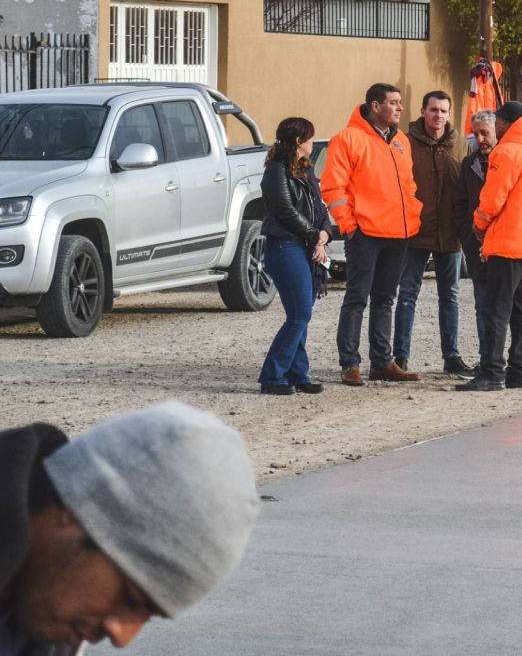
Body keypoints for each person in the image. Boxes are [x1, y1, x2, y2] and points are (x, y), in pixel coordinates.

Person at [0, 400, 259, 655]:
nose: (122, 636)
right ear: (76, 510)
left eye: (149, 615)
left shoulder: (44, 626)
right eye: (129, 598)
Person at [321, 83, 423, 387]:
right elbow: (332, 187)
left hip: (398, 233)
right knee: (357, 298)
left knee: (385, 299)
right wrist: (349, 225)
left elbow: (409, 185)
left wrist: (413, 214)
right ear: (375, 106)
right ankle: (349, 363)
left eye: (400, 103)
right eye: (393, 103)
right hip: (364, 233)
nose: (399, 108)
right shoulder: (347, 139)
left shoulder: (401, 141)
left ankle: (382, 362)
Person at [455, 101, 522, 392]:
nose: (493, 129)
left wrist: (477, 226)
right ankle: (520, 371)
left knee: (497, 309)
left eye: (495, 123)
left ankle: (492, 372)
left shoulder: (506, 152)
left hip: (507, 240)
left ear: (506, 122)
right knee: (521, 310)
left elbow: (492, 199)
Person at [392, 91, 473, 377]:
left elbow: (468, 188)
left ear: (449, 114)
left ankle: (451, 356)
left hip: (450, 235)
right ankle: (400, 357)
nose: (438, 115)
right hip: (415, 233)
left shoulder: (460, 145)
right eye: (434, 110)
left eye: (443, 111)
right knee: (407, 295)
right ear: (423, 111)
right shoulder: (404, 142)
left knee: (450, 296)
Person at [258, 117, 331, 396]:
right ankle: (273, 375)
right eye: (310, 138)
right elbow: (285, 210)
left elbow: (320, 206)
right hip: (286, 246)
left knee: (302, 314)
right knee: (300, 314)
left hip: (308, 246)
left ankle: (298, 372)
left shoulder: (305, 169)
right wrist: (315, 235)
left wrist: (323, 233)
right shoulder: (276, 170)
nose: (314, 142)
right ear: (299, 141)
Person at [453, 110, 498, 374]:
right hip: (475, 247)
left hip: (504, 246)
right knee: (482, 304)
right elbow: (460, 203)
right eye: (476, 134)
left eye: (485, 133)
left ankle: (505, 360)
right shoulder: (468, 165)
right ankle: (486, 359)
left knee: (504, 307)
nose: (480, 139)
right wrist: (467, 235)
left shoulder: (507, 161)